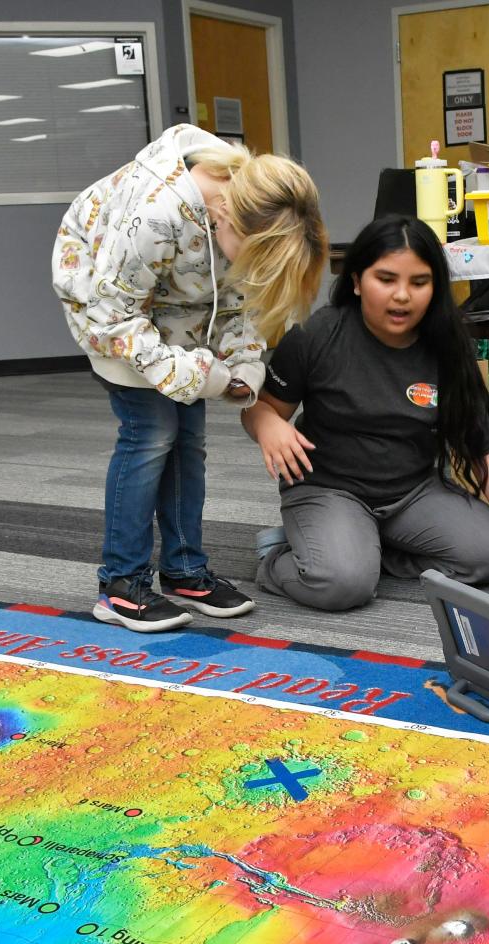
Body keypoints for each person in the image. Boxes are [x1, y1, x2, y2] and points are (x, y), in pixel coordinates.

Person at [53, 124, 326, 632]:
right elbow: (114, 315)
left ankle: (182, 570)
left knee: (189, 438)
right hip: (105, 302)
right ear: (223, 217)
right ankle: (121, 585)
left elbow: (240, 302)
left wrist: (242, 367)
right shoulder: (157, 214)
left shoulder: (250, 211)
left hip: (175, 299)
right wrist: (202, 374)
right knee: (152, 432)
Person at [242, 214, 489, 610]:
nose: (402, 295)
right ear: (356, 281)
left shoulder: (448, 347)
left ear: (435, 287)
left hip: (412, 492)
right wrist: (269, 424)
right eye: (386, 279)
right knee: (342, 586)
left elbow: (484, 448)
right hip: (329, 489)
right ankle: (280, 558)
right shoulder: (317, 333)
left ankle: (362, 551)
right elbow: (260, 408)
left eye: (418, 282)